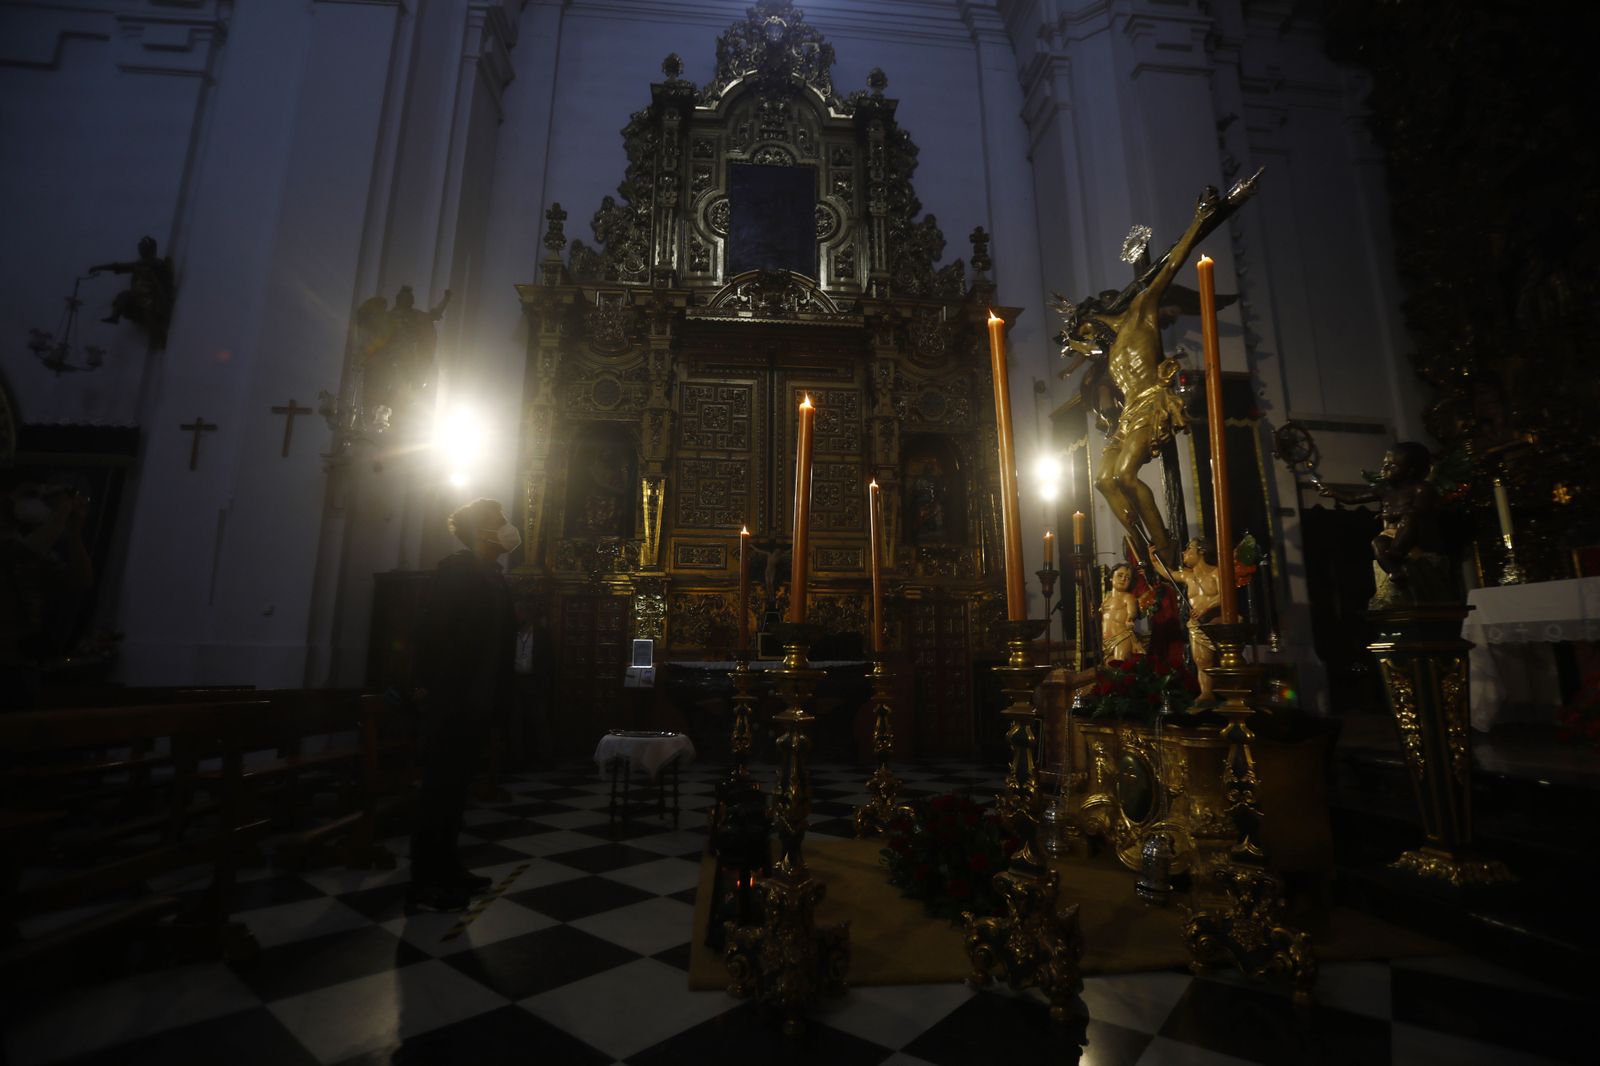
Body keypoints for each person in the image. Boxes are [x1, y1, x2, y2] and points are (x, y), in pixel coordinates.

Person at [1058, 169, 1262, 567]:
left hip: (1151, 401)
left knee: (1127, 477)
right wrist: (1074, 347)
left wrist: (1200, 220)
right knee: (1103, 480)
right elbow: (1084, 348)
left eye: (1085, 333)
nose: (1086, 344)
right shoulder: (1110, 347)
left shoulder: (1141, 314)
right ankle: (1138, 544)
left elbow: (1170, 266)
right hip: (1127, 415)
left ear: (1097, 317)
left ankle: (1165, 546)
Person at [409, 497, 519, 911]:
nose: (509, 527)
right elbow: (434, 633)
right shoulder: (456, 572)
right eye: (500, 520)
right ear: (480, 531)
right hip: (454, 698)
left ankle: (449, 867)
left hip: (477, 698)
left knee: (457, 793)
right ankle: (424, 880)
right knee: (438, 792)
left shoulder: (491, 575)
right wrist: (434, 687)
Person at [1317, 442, 1455, 608]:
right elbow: (1353, 498)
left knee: (1409, 519)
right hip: (1391, 534)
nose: (1385, 468)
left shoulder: (1421, 488)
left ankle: (1396, 553)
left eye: (1392, 465)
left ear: (1410, 470)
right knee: (1377, 543)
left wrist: (1394, 514)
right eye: (1384, 464)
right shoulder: (1384, 489)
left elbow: (1420, 510)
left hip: (1417, 534)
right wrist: (1333, 493)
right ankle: (1394, 572)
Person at [89, 236, 177, 347]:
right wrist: (99, 267)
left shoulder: (157, 264)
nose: (140, 251)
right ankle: (115, 316)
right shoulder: (138, 264)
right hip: (138, 297)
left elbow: (165, 284)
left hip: (153, 299)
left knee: (149, 314)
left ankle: (159, 337)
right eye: (140, 248)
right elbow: (118, 267)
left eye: (143, 248)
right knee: (122, 296)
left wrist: (164, 297)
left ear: (150, 250)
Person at [1168, 538, 1221, 707]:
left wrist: (1206, 607)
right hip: (1196, 625)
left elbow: (1225, 594)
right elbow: (1166, 573)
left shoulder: (1216, 572)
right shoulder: (1187, 576)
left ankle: (1231, 692)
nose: (1184, 553)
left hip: (1216, 624)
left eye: (1189, 549)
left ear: (1201, 551)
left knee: (1226, 659)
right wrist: (1153, 558)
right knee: (1201, 660)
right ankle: (1206, 694)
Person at [1100, 563, 1146, 662]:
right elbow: (1102, 616)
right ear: (1111, 577)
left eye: (1127, 578)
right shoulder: (1106, 598)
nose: (1123, 579)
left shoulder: (1127, 597)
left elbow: (1132, 612)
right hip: (1106, 641)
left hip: (1122, 637)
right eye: (1120, 575)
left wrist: (1130, 618)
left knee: (1119, 663)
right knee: (1109, 667)